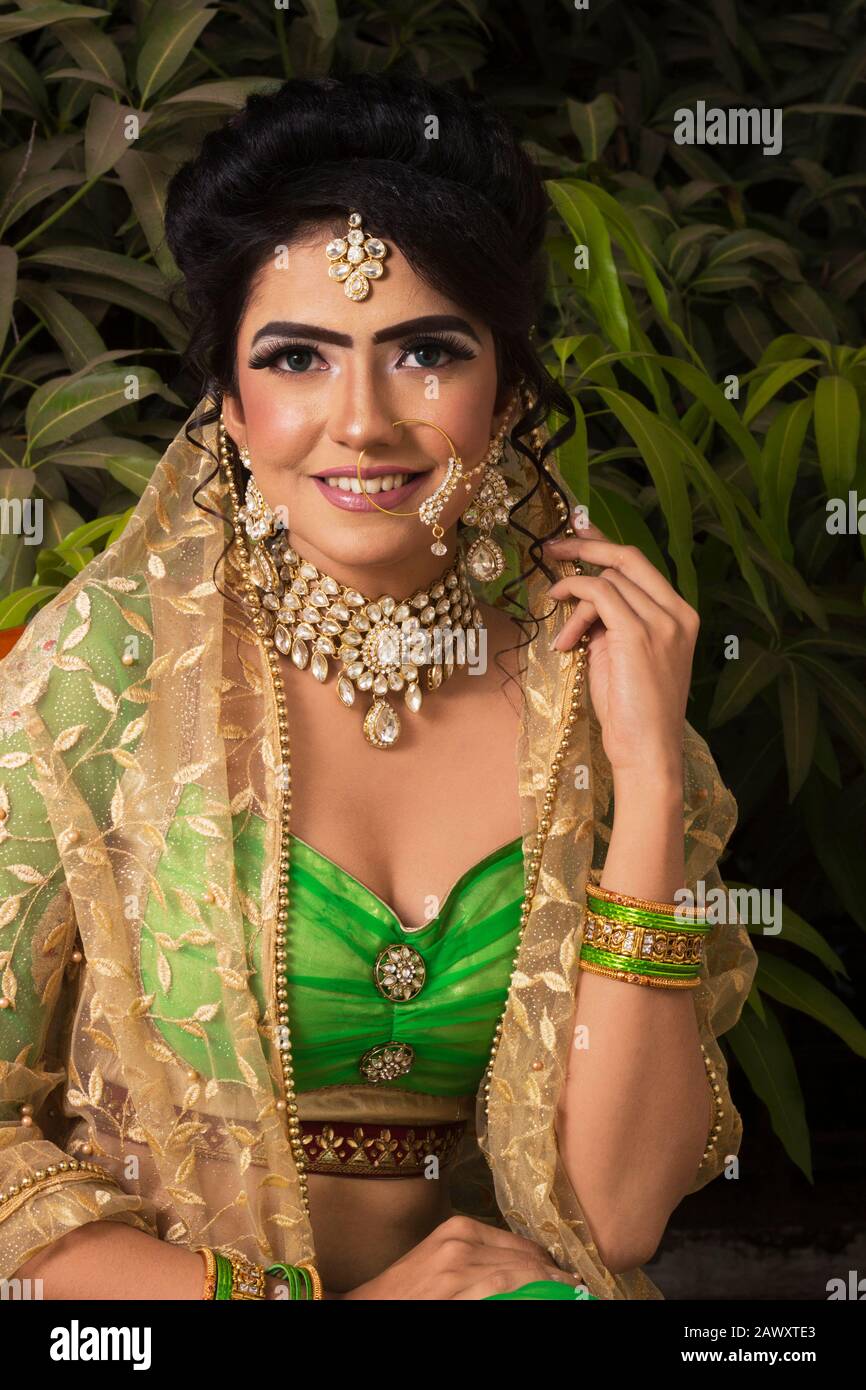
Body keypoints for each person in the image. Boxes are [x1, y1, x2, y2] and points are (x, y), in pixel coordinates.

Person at [0, 74, 756, 1301]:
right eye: (296, 356)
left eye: (426, 353)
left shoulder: (582, 694)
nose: (360, 420)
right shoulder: (113, 673)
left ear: (504, 394)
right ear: (232, 412)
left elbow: (611, 1219)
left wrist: (652, 773)